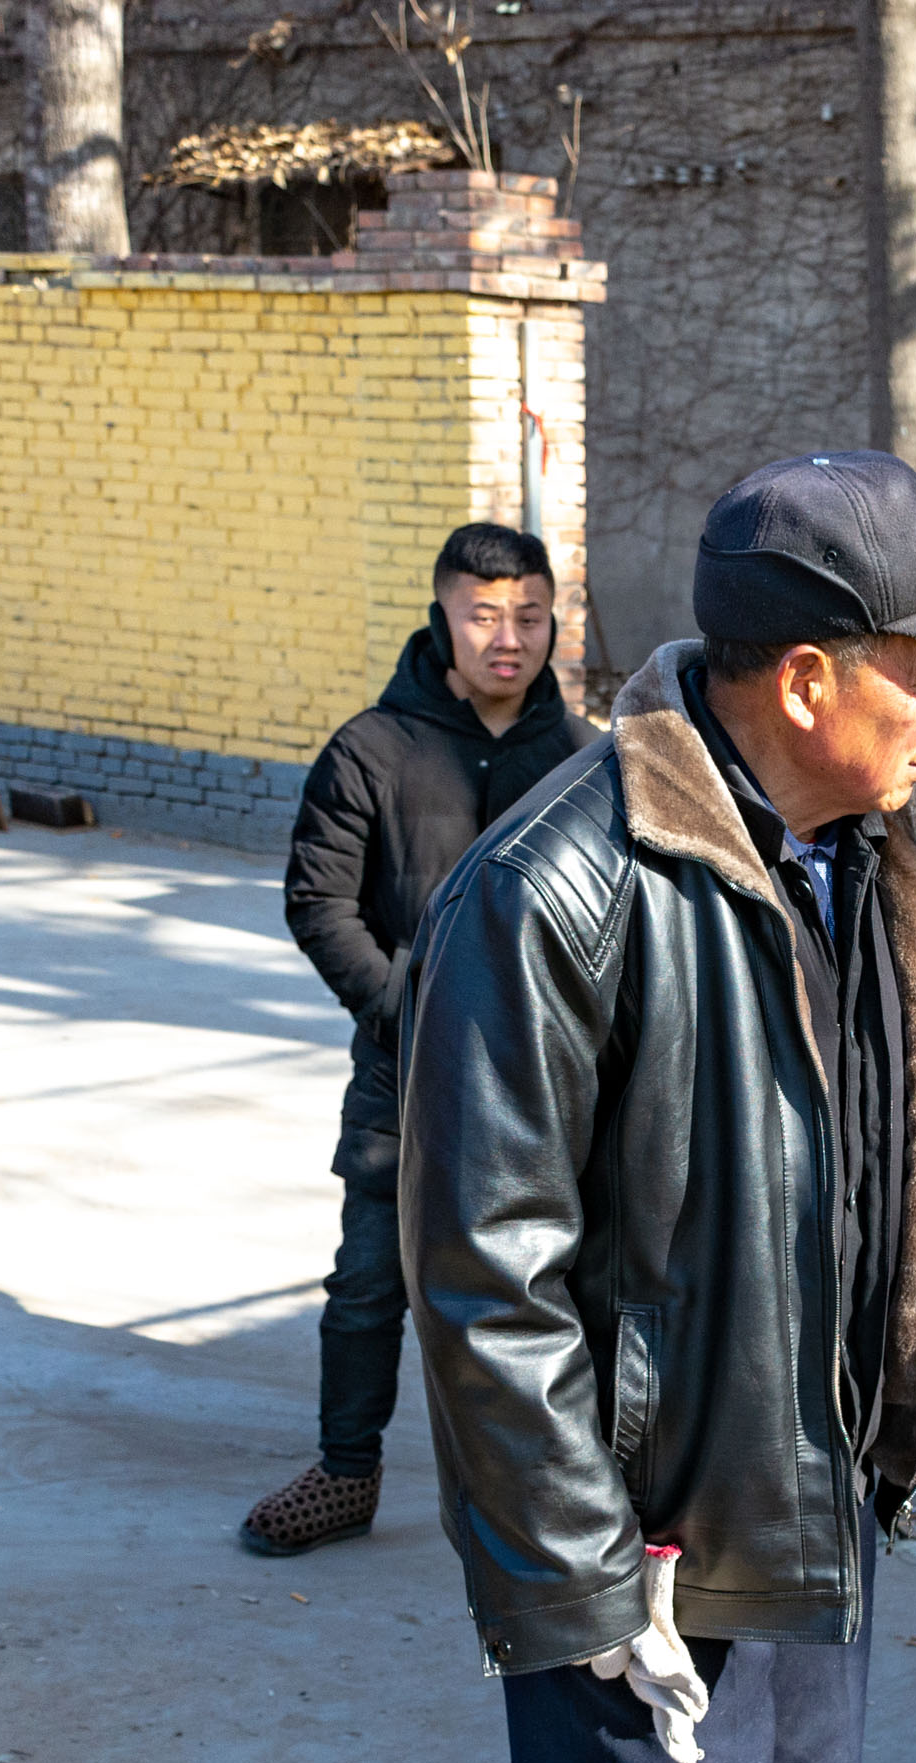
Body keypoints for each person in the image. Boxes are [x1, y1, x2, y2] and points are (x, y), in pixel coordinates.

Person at [398, 451, 916, 1763]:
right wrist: (592, 1593)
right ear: (809, 678)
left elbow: (882, 1151)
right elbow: (487, 1283)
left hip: (819, 1515)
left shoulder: (864, 858)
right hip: (656, 1557)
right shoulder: (556, 891)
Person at [244, 523, 600, 1557]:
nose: (509, 636)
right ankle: (345, 1472)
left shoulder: (583, 763)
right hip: (403, 1072)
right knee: (367, 1283)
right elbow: (319, 901)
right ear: (444, 613)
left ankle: (540, 1490)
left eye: (528, 615)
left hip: (542, 1084)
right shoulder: (373, 749)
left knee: (545, 1290)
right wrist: (404, 1004)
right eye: (484, 613)